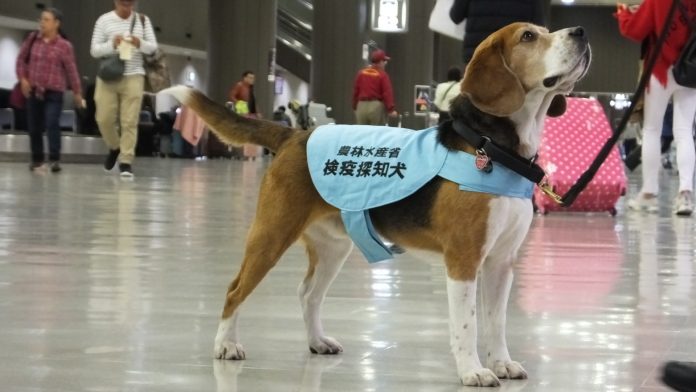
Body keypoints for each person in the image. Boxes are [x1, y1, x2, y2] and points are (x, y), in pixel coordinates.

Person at [616, 0, 696, 216]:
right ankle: (686, 193)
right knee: (684, 132)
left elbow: (634, 30)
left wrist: (623, 13)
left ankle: (649, 192)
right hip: (689, 70)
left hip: (659, 70)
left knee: (652, 130)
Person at [90, 0, 158, 178]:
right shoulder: (103, 20)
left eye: (130, 4)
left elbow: (153, 48)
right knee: (103, 118)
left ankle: (126, 161)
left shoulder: (143, 20)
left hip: (134, 75)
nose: (127, 8)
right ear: (116, 2)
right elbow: (94, 50)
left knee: (129, 121)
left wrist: (139, 42)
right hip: (108, 76)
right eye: (123, 4)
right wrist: (112, 44)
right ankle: (115, 147)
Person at [16, 7, 83, 173]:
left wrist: (77, 92)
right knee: (34, 127)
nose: (42, 23)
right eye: (41, 19)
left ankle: (54, 159)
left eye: (46, 20)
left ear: (56, 23)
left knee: (52, 122)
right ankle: (37, 159)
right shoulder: (32, 39)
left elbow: (71, 70)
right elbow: (20, 60)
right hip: (33, 90)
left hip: (54, 92)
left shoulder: (64, 46)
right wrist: (23, 79)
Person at [449, 0, 545, 64]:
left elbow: (455, 16)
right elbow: (539, 26)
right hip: (514, 57)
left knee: (478, 94)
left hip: (479, 54)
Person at [352, 49, 398, 125]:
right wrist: (391, 110)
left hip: (361, 106)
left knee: (362, 133)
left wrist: (354, 106)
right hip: (375, 107)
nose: (385, 63)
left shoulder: (361, 73)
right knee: (376, 133)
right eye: (384, 61)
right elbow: (387, 93)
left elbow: (355, 91)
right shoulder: (382, 75)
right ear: (380, 62)